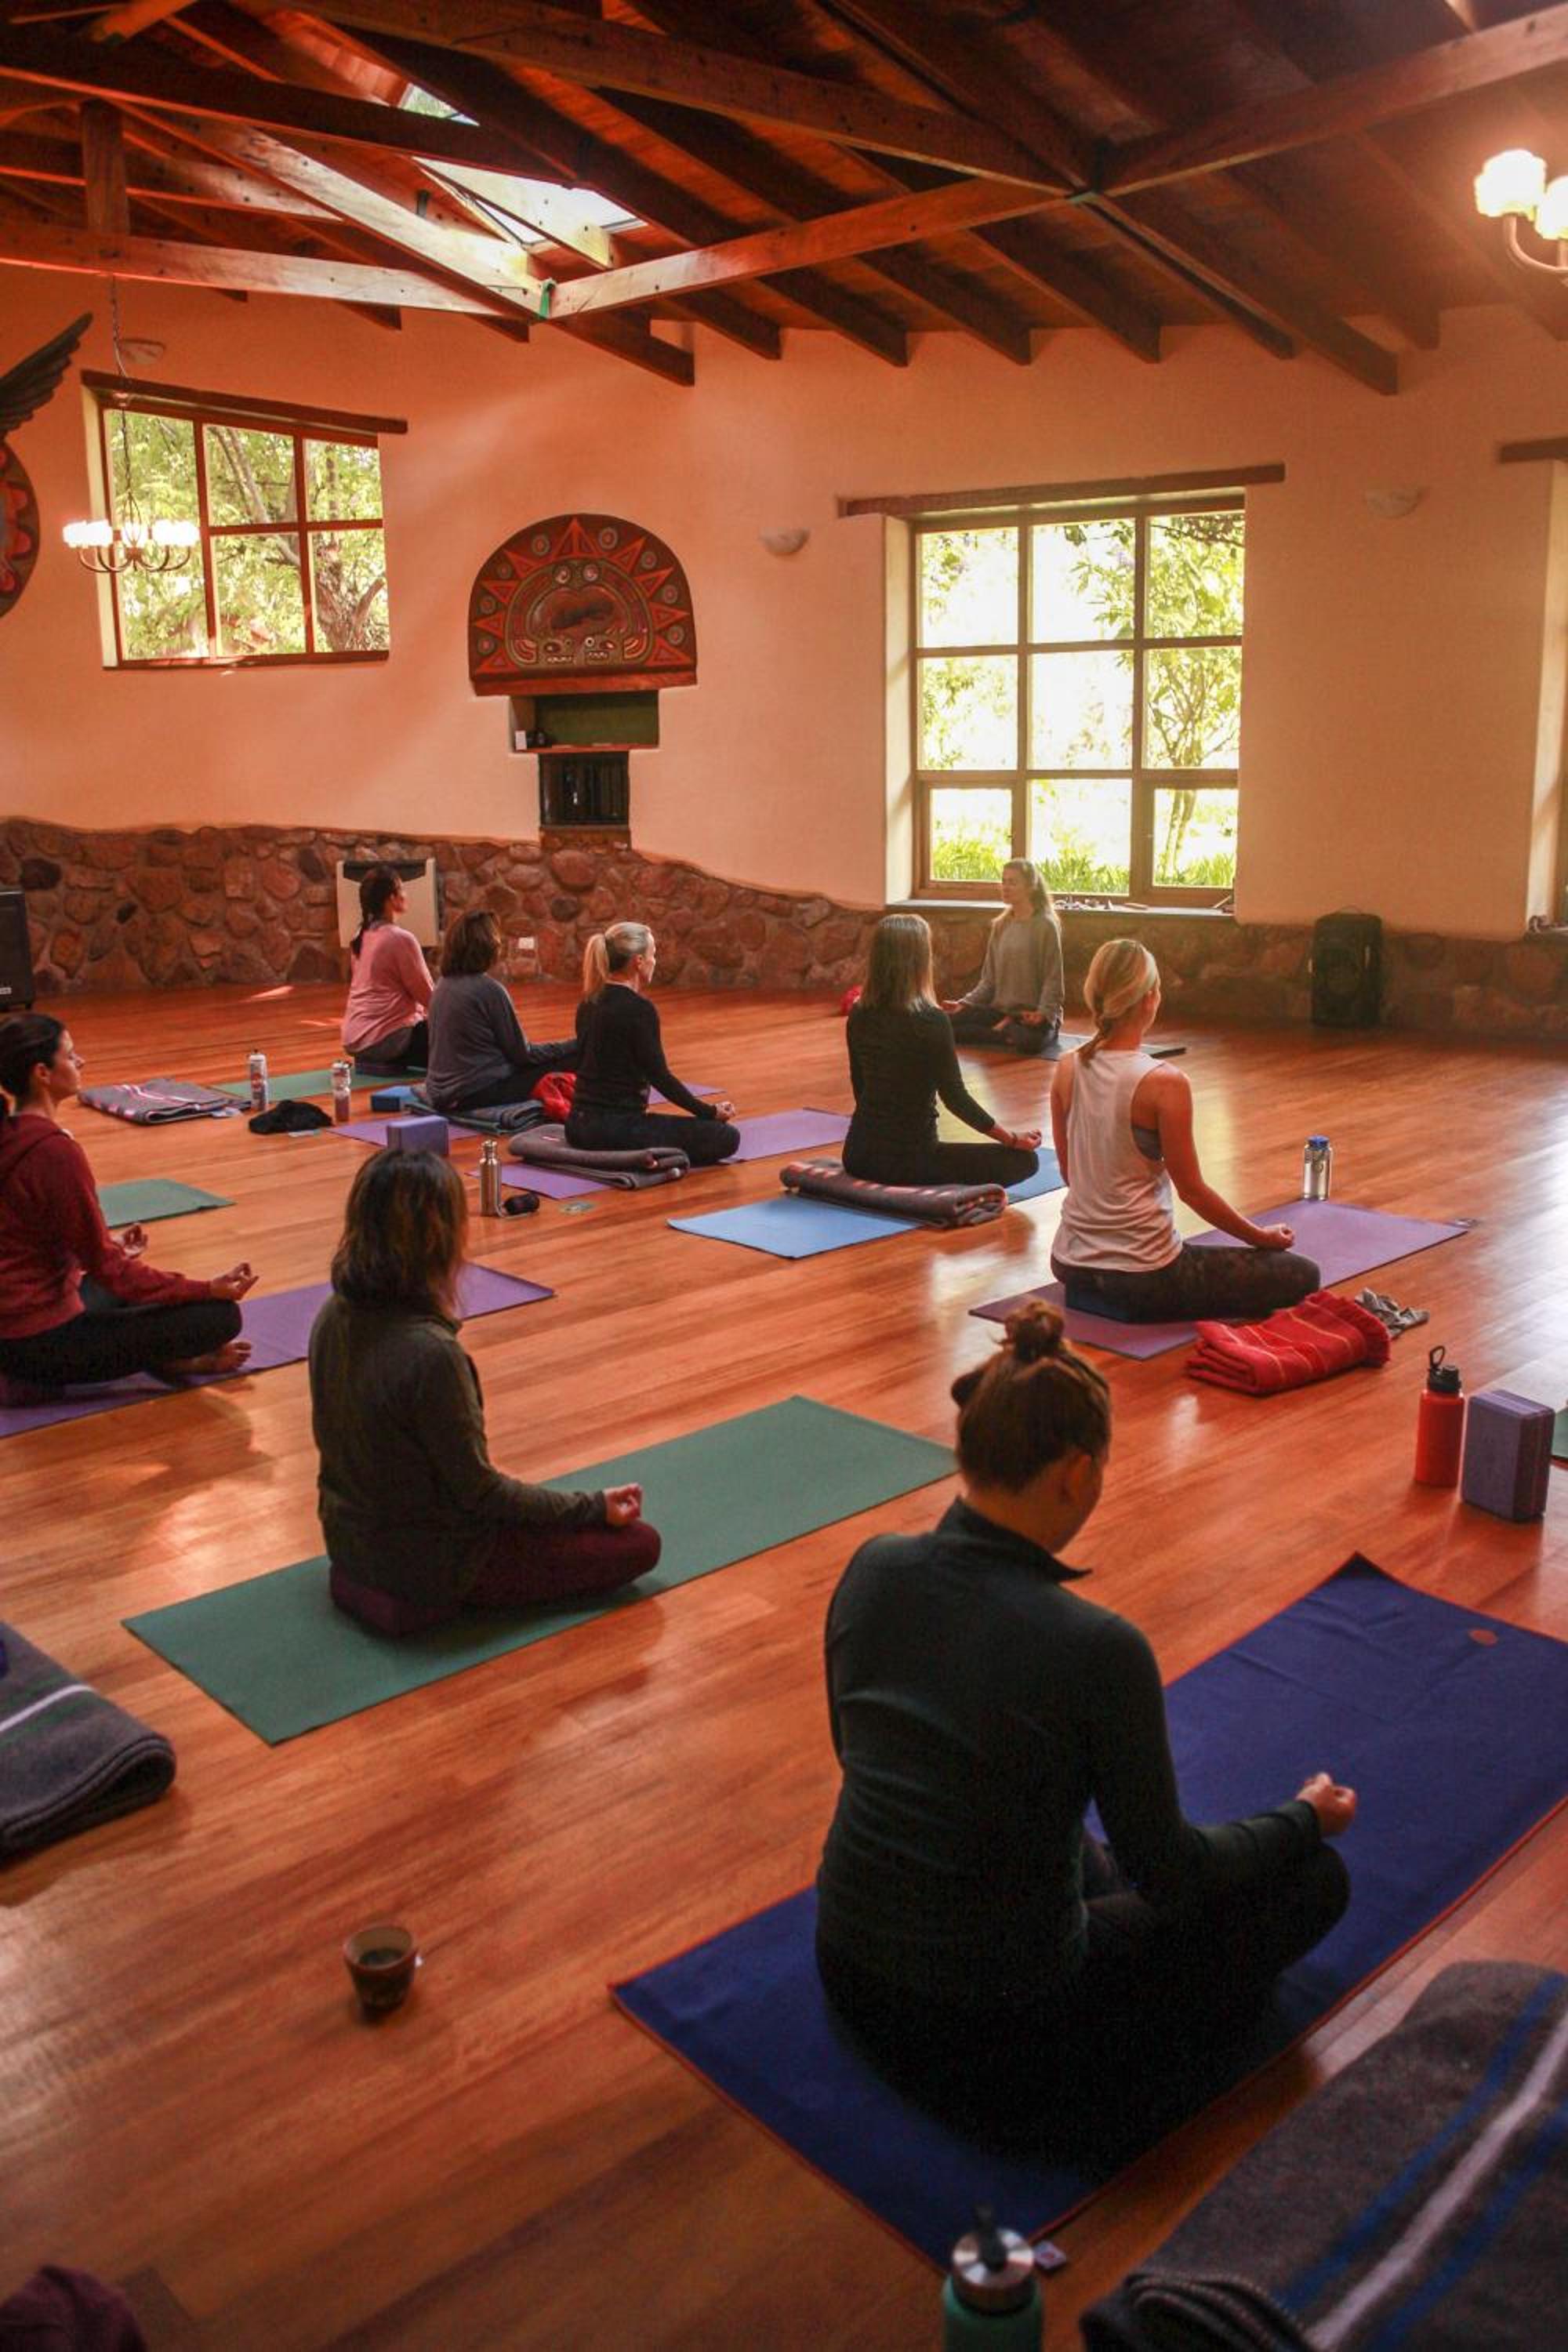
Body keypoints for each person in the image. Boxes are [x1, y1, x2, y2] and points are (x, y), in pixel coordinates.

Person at [815, 1301, 1353, 2138]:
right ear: (1074, 1473)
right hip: (995, 2032)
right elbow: (1170, 1872)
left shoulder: (872, 1566)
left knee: (1068, 1839)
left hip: (848, 1972)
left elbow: (856, 1752)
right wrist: (1303, 1818)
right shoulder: (1099, 1647)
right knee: (1315, 1882)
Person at [309, 1149, 661, 1635]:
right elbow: (482, 1496)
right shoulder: (430, 1354)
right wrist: (593, 1506)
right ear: (440, 1237)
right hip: (424, 1564)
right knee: (639, 1543)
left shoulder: (332, 1314)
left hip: (346, 1540)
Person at [1050, 938, 1320, 1322]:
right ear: (1150, 999)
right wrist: (1261, 1238)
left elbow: (1069, 1174)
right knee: (1302, 1275)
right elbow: (1192, 1191)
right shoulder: (1165, 1083)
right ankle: (1131, 1302)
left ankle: (1101, 1296)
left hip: (1069, 1263)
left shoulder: (1066, 1067)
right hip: (1145, 1276)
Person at [0, 1014, 254, 1391]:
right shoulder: (54, 1151)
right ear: (42, 1073)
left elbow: (25, 1239)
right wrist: (207, 1289)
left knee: (116, 1289)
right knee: (220, 1317)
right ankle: (173, 1357)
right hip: (37, 1344)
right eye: (70, 1056)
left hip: (14, 1323)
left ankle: (164, 1355)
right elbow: (109, 1269)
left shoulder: (11, 1134)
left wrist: (111, 1247)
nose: (81, 1062)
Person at [843, 913, 1039, 1189]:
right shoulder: (931, 1021)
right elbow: (955, 1098)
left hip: (858, 1156)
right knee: (1025, 1161)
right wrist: (1012, 1139)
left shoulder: (859, 1013)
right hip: (912, 1160)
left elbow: (860, 1086)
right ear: (920, 961)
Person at [566, 923, 740, 1167]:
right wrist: (710, 1112)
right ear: (638, 962)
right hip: (616, 1130)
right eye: (653, 955)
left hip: (576, 1127)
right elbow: (660, 1077)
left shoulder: (588, 1003)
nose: (654, 961)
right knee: (727, 1137)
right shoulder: (639, 1010)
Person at [425, 909, 578, 1118]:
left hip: (440, 1093)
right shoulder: (489, 990)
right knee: (577, 1056)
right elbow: (524, 1055)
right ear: (488, 947)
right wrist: (574, 1045)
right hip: (476, 1092)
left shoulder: (442, 985)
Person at [941, 858, 1064, 1056]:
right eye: (1003, 881)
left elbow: (1053, 979)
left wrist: (1043, 1014)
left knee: (1029, 1042)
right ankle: (1005, 1029)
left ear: (1031, 887)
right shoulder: (1001, 925)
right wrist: (963, 1004)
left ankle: (1005, 1029)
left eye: (1012, 882)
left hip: (1034, 1015)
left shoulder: (1046, 926)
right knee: (944, 1024)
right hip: (1001, 1011)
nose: (1005, 887)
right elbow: (988, 981)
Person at [341, 863, 433, 1073]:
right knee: (463, 1037)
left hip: (355, 1039)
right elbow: (429, 997)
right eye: (402, 889)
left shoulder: (359, 936)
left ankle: (374, 1060)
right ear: (392, 898)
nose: (406, 895)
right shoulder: (400, 939)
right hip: (389, 1039)